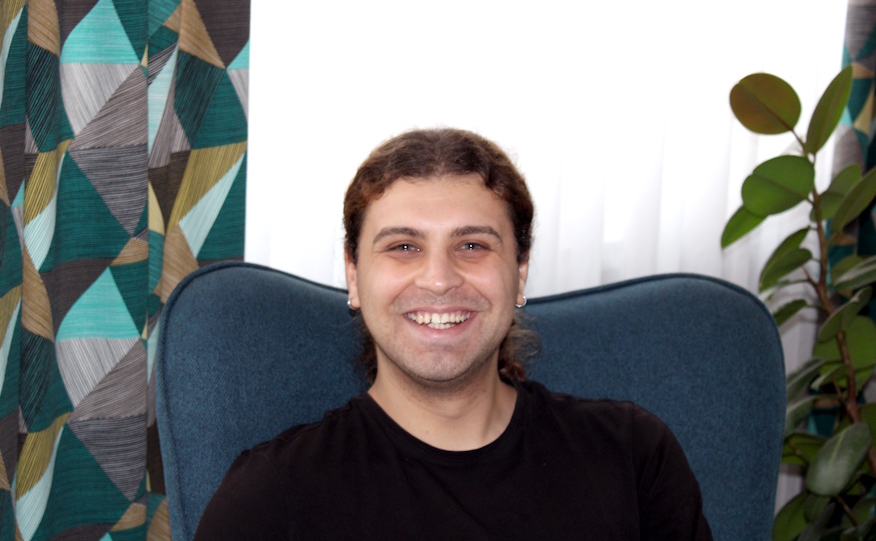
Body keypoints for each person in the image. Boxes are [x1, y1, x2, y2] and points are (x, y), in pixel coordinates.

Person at [194, 128, 712, 540]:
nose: (439, 279)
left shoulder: (632, 457)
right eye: (403, 247)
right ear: (353, 273)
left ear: (520, 270)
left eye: (472, 246)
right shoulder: (271, 497)